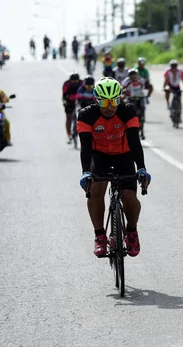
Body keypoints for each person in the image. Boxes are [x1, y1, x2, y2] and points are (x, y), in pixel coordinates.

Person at [77, 78, 151, 258]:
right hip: (99, 155)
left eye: (114, 101)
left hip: (124, 154)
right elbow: (85, 147)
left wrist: (141, 168)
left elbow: (134, 141)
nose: (109, 107)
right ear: (96, 100)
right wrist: (86, 172)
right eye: (104, 102)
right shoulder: (86, 115)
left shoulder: (127, 111)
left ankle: (131, 231)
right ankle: (99, 235)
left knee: (129, 197)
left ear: (119, 99)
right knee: (96, 189)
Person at [122, 68, 153, 140]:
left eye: (134, 75)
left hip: (140, 98)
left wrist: (148, 93)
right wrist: (124, 93)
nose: (133, 77)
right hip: (130, 99)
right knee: (128, 111)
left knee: (142, 113)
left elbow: (149, 86)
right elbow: (122, 89)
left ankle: (142, 131)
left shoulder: (141, 80)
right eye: (131, 76)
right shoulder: (126, 82)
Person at [62, 72, 83, 143]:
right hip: (69, 102)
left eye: (76, 81)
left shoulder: (82, 83)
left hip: (79, 101)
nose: (74, 82)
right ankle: (68, 134)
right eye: (73, 81)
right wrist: (66, 101)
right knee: (69, 117)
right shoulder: (66, 84)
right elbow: (64, 95)